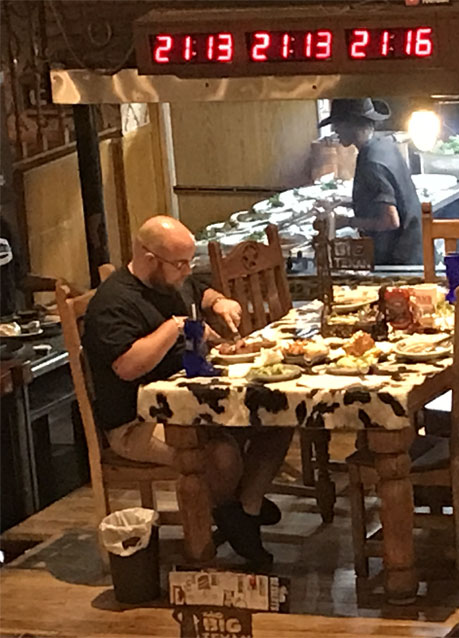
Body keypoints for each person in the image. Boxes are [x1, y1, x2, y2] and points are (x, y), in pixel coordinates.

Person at [83, 215, 292, 564]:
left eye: (189, 262)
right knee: (221, 454)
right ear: (150, 259)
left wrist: (219, 302)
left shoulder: (173, 280)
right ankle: (227, 520)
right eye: (180, 264)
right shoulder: (114, 302)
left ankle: (245, 508)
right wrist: (173, 328)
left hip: (191, 402)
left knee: (278, 416)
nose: (186, 270)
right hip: (138, 422)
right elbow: (128, 367)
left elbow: (201, 290)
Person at [319, 98, 423, 265]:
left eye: (338, 124)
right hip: (415, 249)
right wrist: (343, 203)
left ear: (352, 124)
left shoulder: (371, 163)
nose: (335, 130)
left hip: (400, 260)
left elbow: (390, 221)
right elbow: (378, 199)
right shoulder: (384, 145)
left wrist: (346, 222)